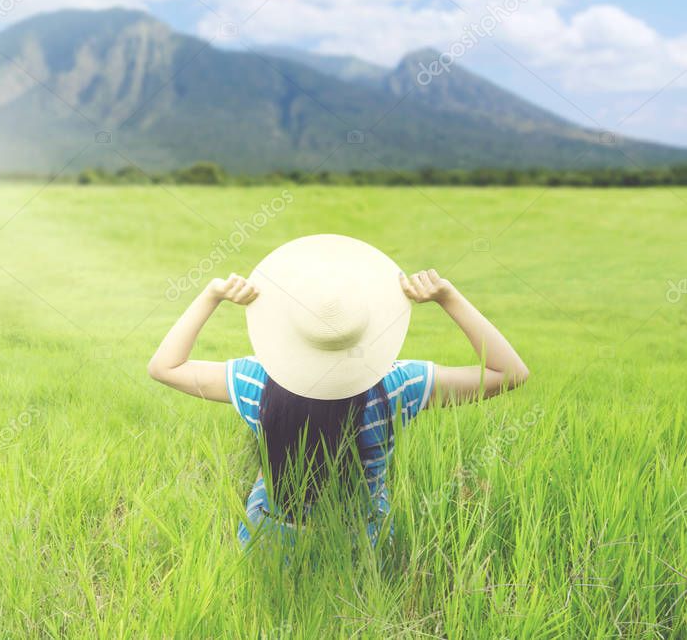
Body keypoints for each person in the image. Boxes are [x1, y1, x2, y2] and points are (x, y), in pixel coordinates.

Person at [148, 235, 529, 549]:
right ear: (366, 328)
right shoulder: (398, 387)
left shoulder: (257, 382)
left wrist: (211, 295)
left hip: (268, 542)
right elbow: (509, 372)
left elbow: (165, 367)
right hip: (362, 549)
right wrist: (448, 297)